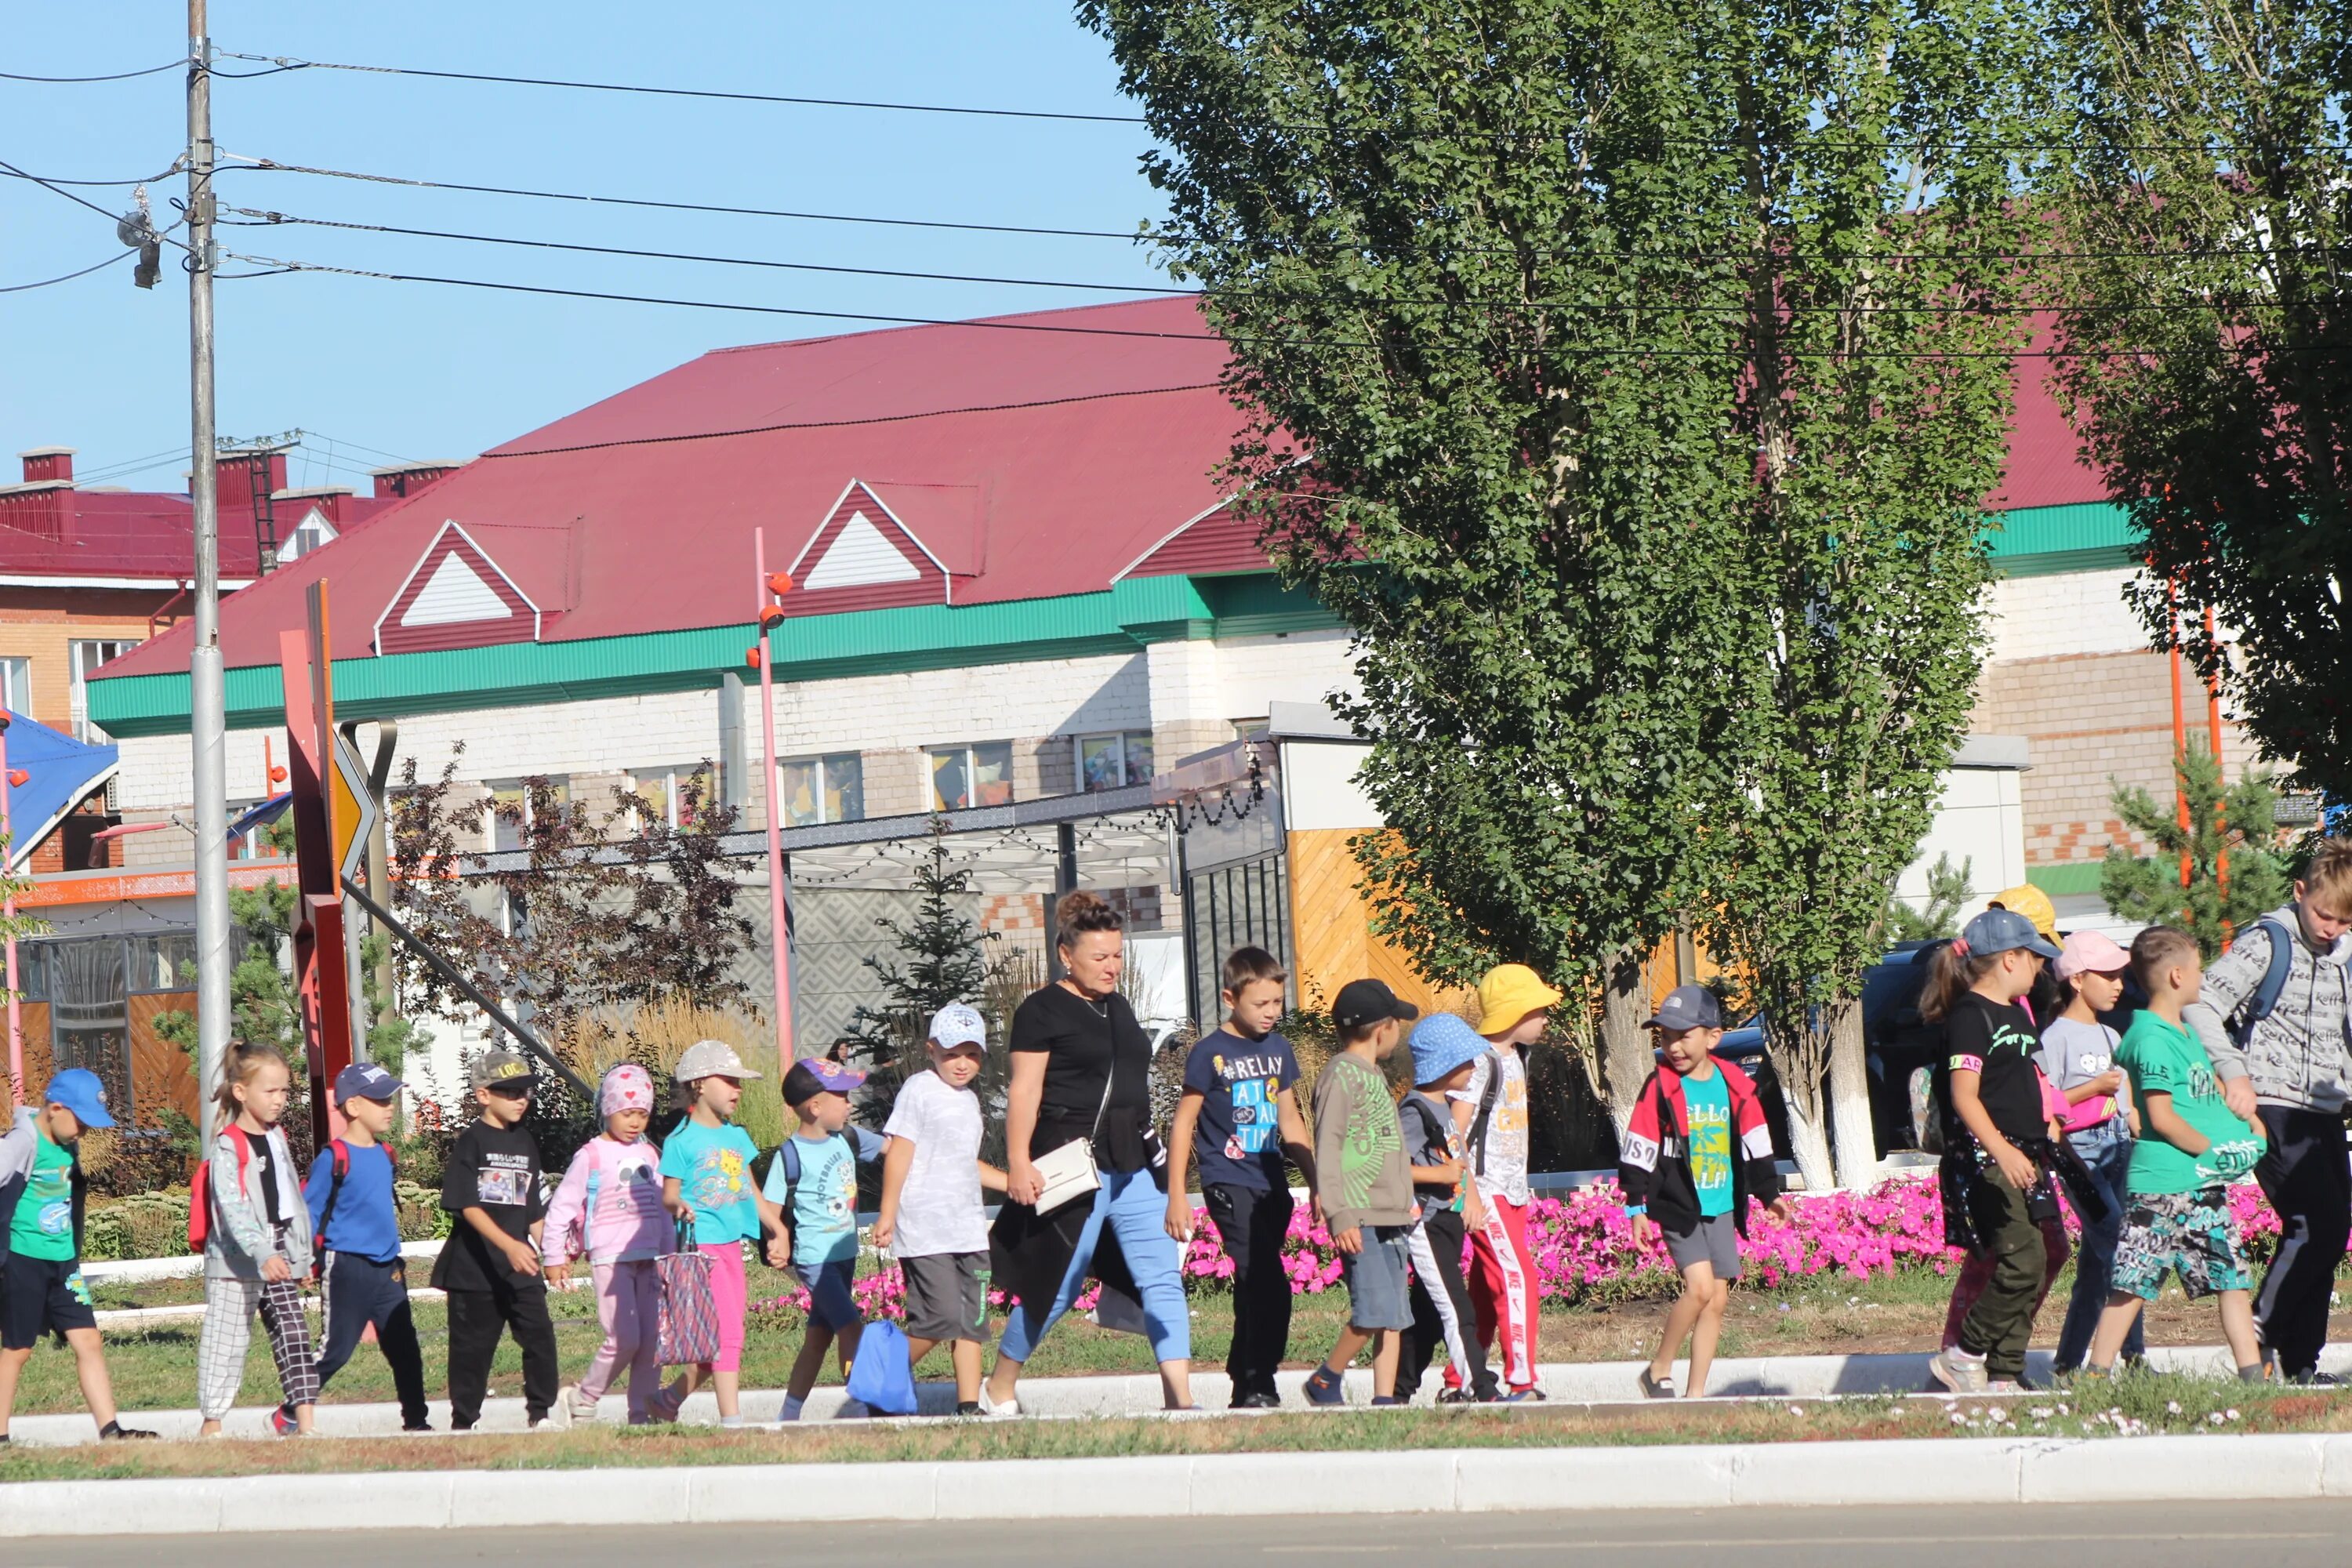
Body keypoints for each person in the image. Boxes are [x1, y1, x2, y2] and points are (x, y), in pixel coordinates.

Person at [986, 890, 1193, 1416]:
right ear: (1066, 954)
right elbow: (1025, 1091)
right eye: (1099, 957)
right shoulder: (1041, 1011)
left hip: (1133, 1166)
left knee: (1162, 1278)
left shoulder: (1118, 1006)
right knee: (1057, 1283)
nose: (1112, 967)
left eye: (1118, 955)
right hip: (1073, 1168)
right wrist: (1017, 1161)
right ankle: (1001, 1385)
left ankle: (1183, 1403)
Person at [2181, 837, 2352, 1384]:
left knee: (2330, 1233)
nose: (2331, 928)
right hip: (2271, 1104)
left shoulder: (2345, 960)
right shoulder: (2266, 943)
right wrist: (2234, 1072)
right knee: (2314, 1223)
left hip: (2325, 1110)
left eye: (2344, 921)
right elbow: (2200, 1004)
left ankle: (2302, 1364)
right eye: (2324, 914)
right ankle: (2262, 1327)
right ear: (2300, 892)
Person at [2085, 925, 2267, 1381]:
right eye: (2200, 970)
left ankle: (2252, 1375)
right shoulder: (2152, 1041)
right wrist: (2217, 1152)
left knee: (2232, 1278)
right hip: (2162, 1187)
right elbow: (2162, 1118)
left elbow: (2204, 1096)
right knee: (2132, 1284)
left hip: (2199, 1184)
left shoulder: (2182, 1033)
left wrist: (2242, 1120)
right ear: (2176, 976)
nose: (2204, 979)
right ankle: (2094, 1375)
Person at [1620, 985, 1793, 1399]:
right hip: (1678, 1204)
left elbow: (1756, 1141)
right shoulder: (1659, 1085)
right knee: (1698, 1289)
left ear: (1713, 1037)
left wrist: (1769, 1193)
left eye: (1684, 1035)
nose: (1674, 1046)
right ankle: (1658, 1369)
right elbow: (1638, 1145)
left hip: (1720, 1205)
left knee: (1715, 1301)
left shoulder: (1735, 1084)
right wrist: (1635, 1207)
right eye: (1665, 1037)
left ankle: (1695, 1396)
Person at [1163, 946, 1316, 1409]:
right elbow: (1183, 1123)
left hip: (1271, 1182)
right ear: (1231, 998)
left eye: (1277, 1003)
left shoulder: (1278, 1048)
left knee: (1258, 1283)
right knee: (1267, 1279)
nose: (1272, 1013)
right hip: (1227, 1180)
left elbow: (1290, 1120)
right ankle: (1260, 1379)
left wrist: (1319, 1180)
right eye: (1261, 1004)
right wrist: (1176, 1196)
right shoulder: (1210, 1053)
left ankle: (1244, 1380)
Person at [1926, 907, 2069, 1395]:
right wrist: (2001, 1151)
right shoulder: (1970, 1016)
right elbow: (1965, 1095)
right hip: (1988, 1161)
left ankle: (2005, 1371)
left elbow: (2028, 1079)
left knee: (2050, 1251)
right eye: (2035, 958)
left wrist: (2047, 1122)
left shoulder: (2016, 1014)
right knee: (2023, 1258)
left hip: (2026, 1155)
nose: (2041, 968)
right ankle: (1964, 1352)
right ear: (2009, 959)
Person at [0, 1069, 157, 1443]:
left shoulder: (68, 1142)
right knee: (18, 1349)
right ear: (56, 1108)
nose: (84, 1131)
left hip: (64, 1262)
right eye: (81, 1122)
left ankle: (111, 1430)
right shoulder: (23, 1141)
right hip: (24, 1260)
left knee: (89, 1341)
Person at [874, 1002, 1009, 1416]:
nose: (961, 1063)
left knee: (972, 1320)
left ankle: (968, 1405)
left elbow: (966, 1163)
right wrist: (887, 1213)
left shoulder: (970, 1101)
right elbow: (900, 1152)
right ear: (931, 1050)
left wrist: (1014, 1183)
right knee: (940, 1318)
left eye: (971, 1054)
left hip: (967, 1227)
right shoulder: (919, 1089)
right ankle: (881, 1378)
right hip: (925, 1228)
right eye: (951, 1054)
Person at [1302, 978, 1421, 1407]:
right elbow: (1328, 1145)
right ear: (1381, 1029)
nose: (1398, 1033)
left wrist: (1405, 1198)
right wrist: (1340, 1211)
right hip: (1361, 1216)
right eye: (1397, 1025)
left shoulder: (1370, 1075)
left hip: (1390, 1214)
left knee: (1394, 1317)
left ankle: (1385, 1400)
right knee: (1372, 1311)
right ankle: (1325, 1379)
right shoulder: (1341, 1077)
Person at [659, 1039, 786, 1427]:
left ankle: (666, 1401)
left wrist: (777, 1229)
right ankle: (733, 1423)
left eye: (739, 1082)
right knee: (728, 1337)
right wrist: (677, 1205)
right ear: (698, 1084)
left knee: (717, 1344)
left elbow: (753, 1193)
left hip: (731, 1249)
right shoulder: (680, 1141)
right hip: (702, 1250)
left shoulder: (736, 1137)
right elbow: (668, 1194)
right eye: (729, 1080)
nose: (738, 1089)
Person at [434, 1048, 561, 1431]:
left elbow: (533, 1210)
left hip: (519, 1270)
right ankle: (464, 1421)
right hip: (474, 1271)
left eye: (525, 1091)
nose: (521, 1099)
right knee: (472, 1352)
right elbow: (463, 1204)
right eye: (510, 1091)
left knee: (540, 1339)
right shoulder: (471, 1142)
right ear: (484, 1094)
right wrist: (508, 1243)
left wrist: (553, 1253)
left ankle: (540, 1415)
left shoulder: (525, 1143)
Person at [197, 1042, 320, 1437]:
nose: (280, 1100)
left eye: (285, 1091)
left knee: (294, 1335)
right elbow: (231, 1207)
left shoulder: (277, 1136)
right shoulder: (228, 1144)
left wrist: (300, 1257)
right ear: (241, 1092)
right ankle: (212, 1424)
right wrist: (262, 1251)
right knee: (227, 1340)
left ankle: (305, 1426)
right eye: (271, 1091)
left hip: (278, 1249)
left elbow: (290, 1201)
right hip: (236, 1258)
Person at [296, 1062, 427, 1433]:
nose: (389, 1106)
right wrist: (305, 1259)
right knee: (336, 1349)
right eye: (379, 1099)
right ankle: (292, 1411)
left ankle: (416, 1422)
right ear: (353, 1106)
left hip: (388, 1269)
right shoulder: (334, 1158)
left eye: (389, 1098)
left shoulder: (386, 1153)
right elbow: (309, 1211)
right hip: (346, 1268)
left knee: (405, 1347)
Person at [2037, 930, 2145, 1376]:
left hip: (2118, 1147)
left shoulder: (2110, 1034)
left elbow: (2127, 1099)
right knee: (2125, 1250)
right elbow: (2050, 1106)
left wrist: (2136, 1118)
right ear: (2078, 980)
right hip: (2079, 1155)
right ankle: (2132, 1357)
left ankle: (2066, 1364)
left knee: (2097, 1269)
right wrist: (2093, 1088)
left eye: (2120, 975)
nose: (2118, 984)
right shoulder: (2055, 1037)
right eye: (2108, 975)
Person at [544, 1063, 673, 1425]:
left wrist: (669, 1253)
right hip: (610, 1261)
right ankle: (584, 1397)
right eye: (627, 1113)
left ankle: (641, 1414)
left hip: (650, 1259)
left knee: (650, 1343)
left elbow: (663, 1208)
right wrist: (553, 1255)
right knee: (624, 1338)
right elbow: (562, 1207)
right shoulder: (592, 1155)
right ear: (608, 1111)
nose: (635, 1122)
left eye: (642, 1114)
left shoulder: (650, 1155)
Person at [1453, 962, 1559, 1401]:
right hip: (1486, 1191)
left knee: (1485, 1286)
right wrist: (1470, 1194)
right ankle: (1522, 1381)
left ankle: (1459, 1381)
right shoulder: (1479, 1062)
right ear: (1514, 1013)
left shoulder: (1516, 1057)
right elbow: (1454, 1132)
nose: (1545, 1019)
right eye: (1539, 1010)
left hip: (1511, 1191)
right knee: (1519, 1279)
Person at [761, 1053, 881, 1421]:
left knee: (818, 1339)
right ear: (815, 1106)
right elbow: (767, 1206)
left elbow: (897, 1149)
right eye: (842, 1096)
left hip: (844, 1254)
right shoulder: (790, 1155)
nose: (849, 1104)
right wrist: (777, 1238)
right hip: (816, 1259)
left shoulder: (848, 1137)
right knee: (850, 1325)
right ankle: (860, 1405)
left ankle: (788, 1415)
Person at [1397, 1012, 1498, 1404]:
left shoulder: (1444, 1107)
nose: (1474, 1068)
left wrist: (1465, 1192)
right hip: (1426, 1223)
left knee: (1426, 1314)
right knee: (1457, 1307)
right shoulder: (1414, 1110)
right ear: (1442, 1064)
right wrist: (1440, 1176)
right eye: (1466, 1060)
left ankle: (1396, 1391)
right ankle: (1480, 1386)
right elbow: (1393, 1168)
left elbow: (1458, 1158)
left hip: (1449, 1222)